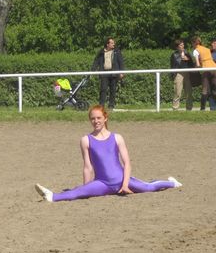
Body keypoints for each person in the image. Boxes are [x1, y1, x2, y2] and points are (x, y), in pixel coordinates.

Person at [34, 105, 181, 203]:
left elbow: (127, 163)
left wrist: (125, 185)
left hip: (122, 180)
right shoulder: (86, 140)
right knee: (77, 193)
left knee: (149, 188)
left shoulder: (117, 137)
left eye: (98, 118)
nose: (96, 121)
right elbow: (88, 167)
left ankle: (172, 183)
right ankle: (52, 196)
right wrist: (86, 188)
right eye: (93, 118)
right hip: (102, 183)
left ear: (105, 118)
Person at [91, 37, 124, 110]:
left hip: (114, 73)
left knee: (113, 90)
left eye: (114, 43)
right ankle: (101, 106)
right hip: (104, 73)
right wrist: (93, 70)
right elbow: (96, 61)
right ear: (107, 44)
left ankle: (111, 106)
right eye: (112, 43)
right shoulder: (101, 52)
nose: (113, 44)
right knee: (103, 89)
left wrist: (122, 72)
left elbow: (121, 62)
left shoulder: (117, 51)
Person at [191, 36, 216, 111]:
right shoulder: (207, 49)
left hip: (206, 69)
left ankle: (202, 109)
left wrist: (195, 70)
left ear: (194, 43)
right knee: (214, 89)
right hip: (214, 68)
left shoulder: (196, 50)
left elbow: (198, 64)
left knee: (205, 90)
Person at [169, 39, 194, 111]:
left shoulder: (187, 53)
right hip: (178, 73)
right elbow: (172, 66)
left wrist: (188, 59)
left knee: (188, 92)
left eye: (183, 44)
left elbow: (192, 64)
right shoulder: (174, 55)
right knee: (177, 91)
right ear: (177, 47)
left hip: (187, 73)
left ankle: (189, 109)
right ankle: (175, 108)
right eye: (181, 45)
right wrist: (173, 75)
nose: (183, 46)